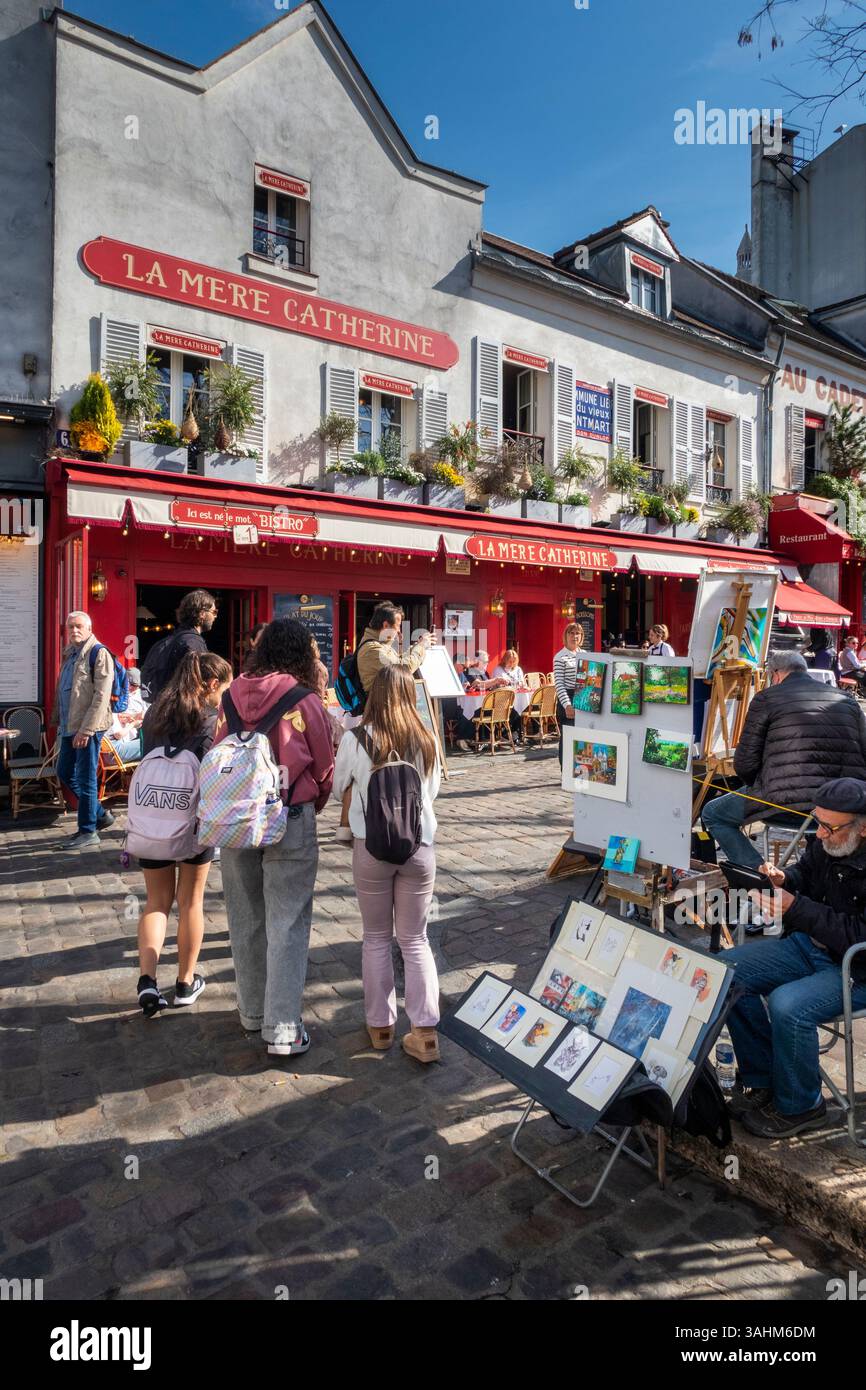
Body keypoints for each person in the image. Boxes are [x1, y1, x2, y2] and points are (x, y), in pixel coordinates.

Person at [216, 619, 335, 1057]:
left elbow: (218, 751)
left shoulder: (229, 695)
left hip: (236, 818)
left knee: (244, 914)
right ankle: (282, 1026)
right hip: (290, 813)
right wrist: (313, 802)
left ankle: (251, 1011)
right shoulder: (303, 700)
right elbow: (324, 764)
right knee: (287, 920)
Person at [724, 777, 866, 1138]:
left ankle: (802, 1106)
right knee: (726, 971)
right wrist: (784, 878)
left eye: (828, 827)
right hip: (812, 946)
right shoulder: (828, 842)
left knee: (789, 1005)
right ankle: (763, 1079)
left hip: (857, 967)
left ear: (862, 828)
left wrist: (796, 907)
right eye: (816, 821)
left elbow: (857, 935)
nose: (819, 833)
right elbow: (807, 873)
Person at [332, 665, 442, 1062]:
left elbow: (336, 789)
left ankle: (380, 1027)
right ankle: (425, 1032)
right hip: (419, 846)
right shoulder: (426, 737)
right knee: (415, 939)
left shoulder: (356, 738)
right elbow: (432, 791)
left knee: (376, 937)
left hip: (371, 847)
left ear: (375, 695)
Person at [702, 649, 866, 870]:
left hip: (786, 804)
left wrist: (762, 780)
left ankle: (761, 877)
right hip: (839, 809)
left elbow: (745, 764)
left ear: (776, 674)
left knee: (713, 814)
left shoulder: (767, 698)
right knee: (814, 827)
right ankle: (811, 876)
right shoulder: (846, 699)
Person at [135, 652, 233, 1017]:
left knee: (156, 902)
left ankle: (147, 980)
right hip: (192, 822)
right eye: (223, 687)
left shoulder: (154, 715)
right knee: (190, 902)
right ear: (210, 685)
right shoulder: (210, 722)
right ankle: (185, 982)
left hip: (153, 817)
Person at [335, 602, 432, 841]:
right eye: (397, 627)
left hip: (385, 716)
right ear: (385, 625)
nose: (399, 633)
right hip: (377, 716)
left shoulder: (380, 647)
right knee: (373, 771)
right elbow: (403, 668)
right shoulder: (371, 650)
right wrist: (420, 647)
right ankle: (365, 819)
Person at [52, 610, 115, 850]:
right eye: (70, 627)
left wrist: (86, 730)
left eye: (79, 626)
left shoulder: (99, 653)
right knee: (65, 771)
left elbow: (101, 696)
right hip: (69, 726)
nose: (74, 631)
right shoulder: (70, 654)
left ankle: (88, 831)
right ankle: (98, 814)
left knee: (86, 778)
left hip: (88, 727)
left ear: (89, 628)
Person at [140, 589, 218, 701]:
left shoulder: (163, 642)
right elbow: (199, 683)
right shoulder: (194, 643)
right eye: (214, 612)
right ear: (202, 613)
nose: (215, 616)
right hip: (181, 711)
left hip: (159, 708)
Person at [553, 622, 586, 768]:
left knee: (582, 737)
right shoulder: (560, 657)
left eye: (577, 633)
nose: (574, 636)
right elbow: (559, 684)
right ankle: (566, 772)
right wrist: (567, 705)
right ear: (566, 636)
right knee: (568, 738)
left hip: (583, 697)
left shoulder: (585, 655)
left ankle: (579, 769)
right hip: (568, 697)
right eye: (571, 633)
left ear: (581, 636)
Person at [108, 666, 147, 763]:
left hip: (115, 748)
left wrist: (131, 718)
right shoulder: (114, 707)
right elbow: (118, 734)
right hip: (114, 753)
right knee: (149, 744)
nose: (131, 688)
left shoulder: (115, 706)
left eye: (135, 685)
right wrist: (133, 724)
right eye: (130, 684)